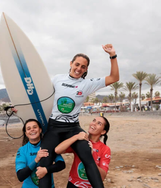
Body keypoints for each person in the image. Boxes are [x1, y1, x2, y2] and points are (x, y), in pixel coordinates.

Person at [38, 44, 119, 188]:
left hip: (72, 128)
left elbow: (114, 77)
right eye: (77, 64)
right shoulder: (57, 79)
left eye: (83, 66)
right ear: (70, 63)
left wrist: (112, 55)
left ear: (86, 69)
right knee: (44, 161)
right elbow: (44, 99)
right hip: (54, 127)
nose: (79, 68)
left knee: (87, 155)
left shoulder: (87, 84)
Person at [55, 116, 111, 188]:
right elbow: (58, 150)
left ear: (103, 132)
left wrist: (90, 156)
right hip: (74, 184)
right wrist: (76, 137)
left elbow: (102, 177)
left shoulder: (105, 149)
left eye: (99, 123)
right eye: (94, 120)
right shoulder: (81, 141)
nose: (94, 124)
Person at [15, 119, 65, 188]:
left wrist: (46, 170)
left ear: (40, 130)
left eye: (35, 127)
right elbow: (20, 176)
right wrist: (36, 160)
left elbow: (61, 164)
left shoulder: (49, 146)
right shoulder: (22, 150)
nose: (32, 130)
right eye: (28, 129)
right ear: (26, 133)